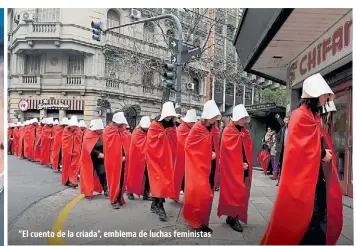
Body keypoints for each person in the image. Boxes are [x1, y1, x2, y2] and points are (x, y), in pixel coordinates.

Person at [260, 73, 343, 245]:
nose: (326, 99)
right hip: (302, 180)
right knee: (301, 221)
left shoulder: (314, 117)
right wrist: (321, 154)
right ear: (315, 95)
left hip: (316, 178)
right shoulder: (300, 116)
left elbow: (315, 142)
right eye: (324, 95)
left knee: (317, 217)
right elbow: (299, 149)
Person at [183, 100, 221, 233]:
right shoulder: (197, 128)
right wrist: (206, 155)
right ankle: (195, 222)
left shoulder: (215, 129)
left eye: (216, 116)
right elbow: (188, 147)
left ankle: (203, 222)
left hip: (211, 166)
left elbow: (216, 146)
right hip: (198, 167)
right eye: (213, 116)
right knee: (200, 195)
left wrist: (216, 154)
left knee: (208, 196)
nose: (215, 118)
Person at [218, 104, 253, 233]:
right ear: (236, 118)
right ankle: (234, 217)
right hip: (232, 169)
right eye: (242, 118)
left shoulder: (245, 132)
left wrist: (247, 163)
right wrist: (239, 164)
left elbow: (248, 150)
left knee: (242, 193)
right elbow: (227, 153)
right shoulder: (228, 131)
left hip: (244, 168)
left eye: (245, 118)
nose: (244, 120)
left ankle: (232, 216)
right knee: (233, 193)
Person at [147, 101, 177, 221]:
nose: (169, 117)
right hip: (155, 159)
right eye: (168, 115)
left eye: (171, 115)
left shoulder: (172, 126)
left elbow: (174, 142)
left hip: (167, 160)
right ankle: (160, 207)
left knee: (162, 183)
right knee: (159, 183)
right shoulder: (154, 125)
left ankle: (154, 205)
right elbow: (150, 143)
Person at [103, 112, 131, 209]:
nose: (122, 125)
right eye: (120, 123)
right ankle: (113, 199)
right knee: (114, 180)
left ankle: (119, 197)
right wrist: (119, 157)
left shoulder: (124, 132)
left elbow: (126, 146)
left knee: (122, 180)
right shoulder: (108, 132)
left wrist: (125, 156)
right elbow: (109, 148)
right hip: (113, 161)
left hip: (123, 160)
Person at [80, 118, 108, 199]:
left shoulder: (102, 135)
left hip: (100, 159)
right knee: (88, 176)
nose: (101, 130)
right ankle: (88, 192)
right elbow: (88, 148)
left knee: (102, 173)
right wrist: (98, 154)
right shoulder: (88, 135)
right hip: (89, 159)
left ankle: (106, 189)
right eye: (100, 129)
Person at [173, 109, 197, 201]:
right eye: (193, 122)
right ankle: (178, 193)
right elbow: (182, 143)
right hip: (181, 156)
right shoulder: (182, 129)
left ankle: (186, 193)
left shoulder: (189, 128)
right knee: (180, 175)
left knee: (186, 176)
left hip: (188, 156)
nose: (194, 124)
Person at [126, 116, 152, 201]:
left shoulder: (149, 132)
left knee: (148, 175)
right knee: (133, 174)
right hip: (136, 158)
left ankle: (146, 193)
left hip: (147, 158)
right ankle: (130, 191)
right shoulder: (136, 133)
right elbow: (136, 146)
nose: (146, 129)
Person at [61, 116, 82, 188]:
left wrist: (75, 135)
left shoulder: (78, 131)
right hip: (67, 152)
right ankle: (66, 180)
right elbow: (64, 141)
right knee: (66, 166)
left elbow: (79, 141)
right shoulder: (65, 131)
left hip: (76, 151)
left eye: (75, 126)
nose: (74, 128)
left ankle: (73, 180)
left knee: (75, 166)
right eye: (73, 126)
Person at [275, 114, 289, 186]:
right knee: (280, 165)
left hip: (289, 150)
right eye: (286, 120)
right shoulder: (283, 128)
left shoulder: (291, 128)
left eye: (288, 120)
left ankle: (285, 181)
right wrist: (277, 146)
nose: (287, 122)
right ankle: (279, 180)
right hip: (282, 150)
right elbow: (277, 137)